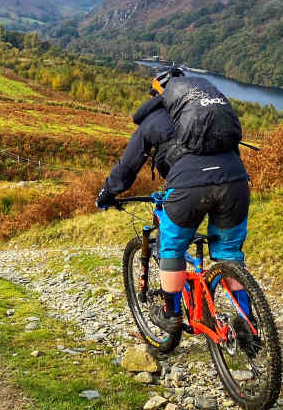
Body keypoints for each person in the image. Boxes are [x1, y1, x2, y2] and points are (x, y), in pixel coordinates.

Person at [95, 67, 252, 333]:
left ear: (159, 95)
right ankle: (248, 323)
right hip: (235, 182)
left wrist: (107, 194)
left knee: (171, 249)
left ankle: (171, 315)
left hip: (189, 188)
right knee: (229, 254)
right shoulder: (211, 115)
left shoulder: (154, 119)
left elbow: (128, 166)